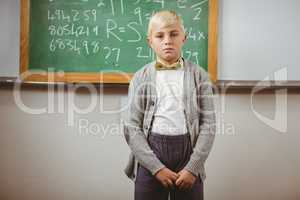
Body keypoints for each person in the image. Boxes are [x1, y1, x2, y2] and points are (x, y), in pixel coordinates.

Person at [122, 10, 216, 200]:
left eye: (173, 34)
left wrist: (193, 168)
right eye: (160, 35)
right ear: (150, 41)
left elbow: (209, 124)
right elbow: (131, 127)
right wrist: (156, 168)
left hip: (188, 157)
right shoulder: (141, 77)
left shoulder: (199, 75)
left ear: (184, 38)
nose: (167, 40)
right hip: (150, 157)